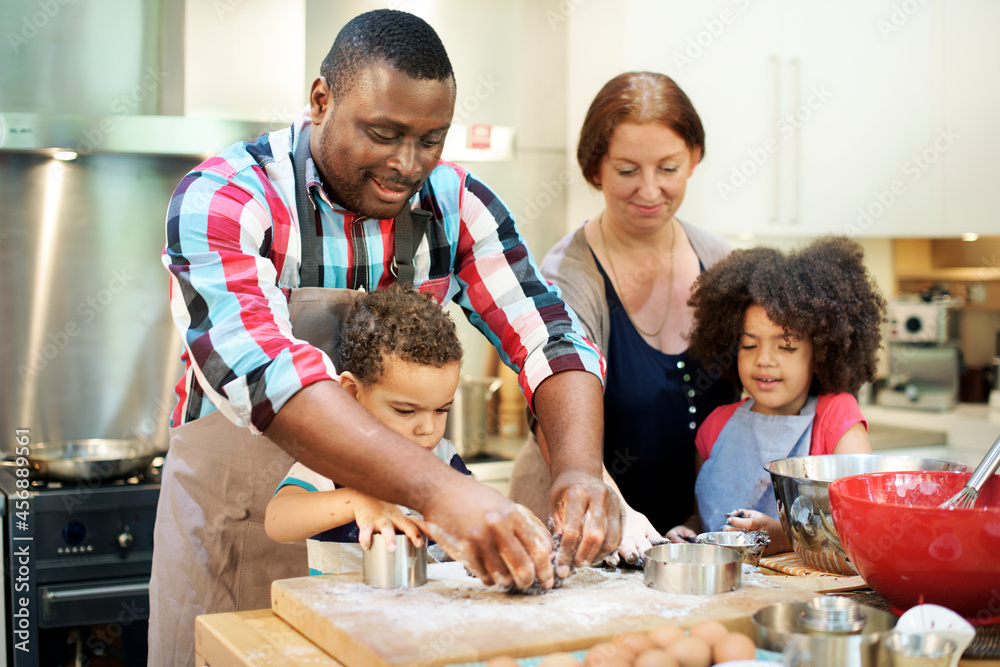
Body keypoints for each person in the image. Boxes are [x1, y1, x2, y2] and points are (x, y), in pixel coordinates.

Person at [150, 10, 621, 666]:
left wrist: (577, 468)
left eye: (431, 139)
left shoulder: (456, 205)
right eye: (384, 133)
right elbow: (270, 377)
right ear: (321, 100)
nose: (408, 165)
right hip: (231, 534)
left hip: (383, 572)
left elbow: (551, 338)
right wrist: (438, 488)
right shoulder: (227, 197)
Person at [509, 71, 738, 566]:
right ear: (596, 170)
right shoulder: (567, 275)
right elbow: (554, 408)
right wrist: (617, 512)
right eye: (628, 170)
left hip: (687, 541)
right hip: (578, 534)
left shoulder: (719, 264)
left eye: (669, 168)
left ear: (694, 161)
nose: (650, 189)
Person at [666, 236, 885, 556]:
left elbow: (862, 526)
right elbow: (705, 517)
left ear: (822, 352)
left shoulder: (837, 418)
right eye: (749, 344)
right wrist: (689, 530)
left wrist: (786, 537)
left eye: (787, 346)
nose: (764, 359)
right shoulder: (716, 426)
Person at [264, 285, 471, 574]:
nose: (428, 429)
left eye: (441, 410)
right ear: (351, 393)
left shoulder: (443, 458)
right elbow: (277, 521)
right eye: (405, 411)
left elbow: (473, 512)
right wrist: (357, 501)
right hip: (340, 615)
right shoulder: (330, 462)